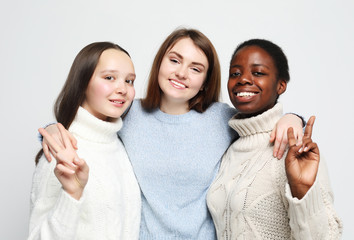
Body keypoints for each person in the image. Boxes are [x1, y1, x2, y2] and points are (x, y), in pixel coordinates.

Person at [41, 29, 305, 239]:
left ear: (205, 82)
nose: (181, 72)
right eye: (175, 60)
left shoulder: (223, 119)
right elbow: (91, 129)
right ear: (160, 63)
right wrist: (54, 130)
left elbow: (260, 127)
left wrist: (294, 118)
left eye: (195, 68)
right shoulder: (129, 113)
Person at [207, 39, 342, 239]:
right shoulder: (227, 147)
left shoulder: (295, 149)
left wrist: (302, 191)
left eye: (258, 72)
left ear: (281, 85)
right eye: (235, 73)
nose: (243, 79)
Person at [28, 42, 141, 240]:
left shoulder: (120, 145)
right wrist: (71, 195)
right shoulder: (61, 149)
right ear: (83, 82)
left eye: (129, 81)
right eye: (109, 77)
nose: (122, 88)